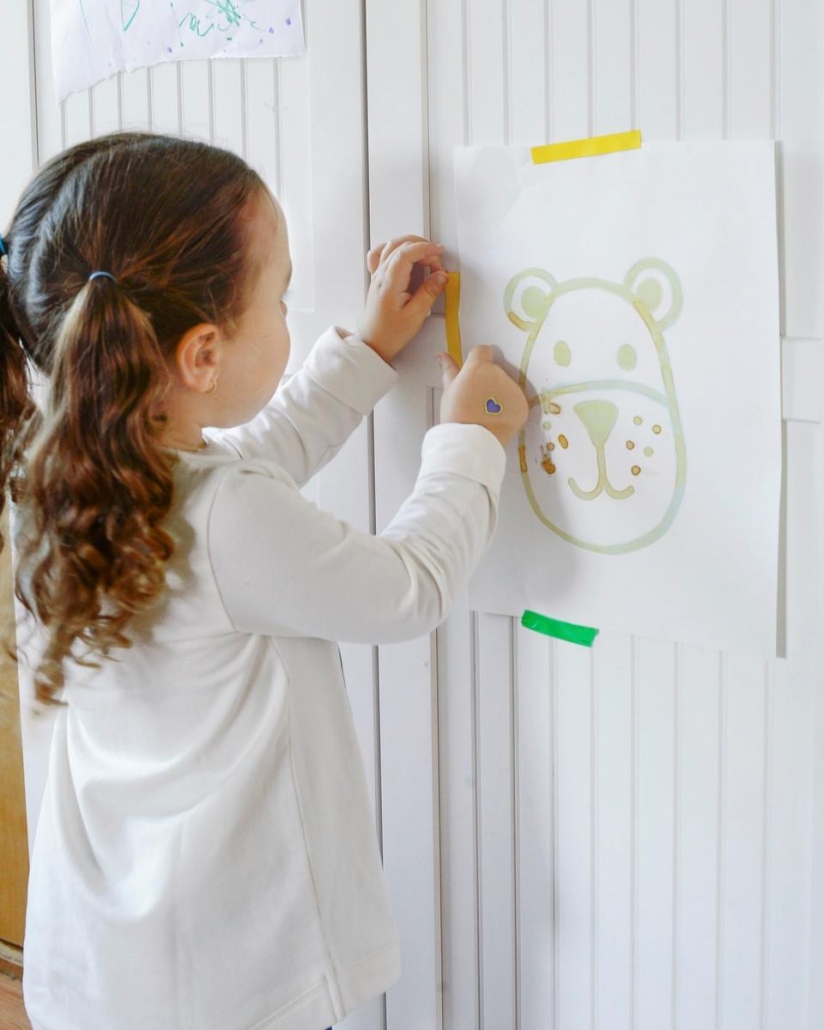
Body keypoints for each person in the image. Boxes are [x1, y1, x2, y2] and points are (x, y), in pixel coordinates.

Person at [0, 131, 528, 1030]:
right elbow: (408, 588)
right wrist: (472, 438)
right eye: (279, 299)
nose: (289, 311)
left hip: (106, 959)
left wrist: (362, 353)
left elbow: (248, 459)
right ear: (202, 356)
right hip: (227, 977)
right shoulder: (222, 515)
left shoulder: (57, 478)